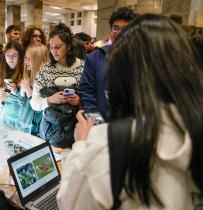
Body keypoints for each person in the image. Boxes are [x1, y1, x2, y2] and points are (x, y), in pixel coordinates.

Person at [57, 14, 203, 210]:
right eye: (115, 27)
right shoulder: (191, 125)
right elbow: (88, 92)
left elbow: (69, 204)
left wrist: (82, 145)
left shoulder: (110, 144)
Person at [30, 23, 84, 148]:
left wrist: (80, 101)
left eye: (58, 47)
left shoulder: (83, 67)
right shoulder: (45, 69)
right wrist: (49, 100)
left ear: (69, 46)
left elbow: (94, 98)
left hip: (77, 130)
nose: (54, 51)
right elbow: (34, 103)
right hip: (51, 131)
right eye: (51, 47)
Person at [79, 7, 136, 120]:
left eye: (125, 28)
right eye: (115, 27)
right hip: (101, 122)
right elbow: (87, 91)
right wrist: (96, 122)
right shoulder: (94, 58)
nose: (119, 32)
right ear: (110, 31)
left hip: (131, 125)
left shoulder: (141, 58)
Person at [17, 43, 49, 136]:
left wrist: (28, 91)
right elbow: (20, 103)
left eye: (29, 58)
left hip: (37, 129)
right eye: (25, 58)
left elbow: (40, 110)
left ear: (38, 59)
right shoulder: (28, 76)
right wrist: (23, 92)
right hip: (24, 124)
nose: (26, 61)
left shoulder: (46, 81)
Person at [0, 41, 24, 126]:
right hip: (3, 114)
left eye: (14, 56)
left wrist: (16, 91)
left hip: (19, 117)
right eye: (8, 55)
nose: (11, 59)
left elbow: (27, 102)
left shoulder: (24, 73)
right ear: (4, 55)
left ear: (20, 56)